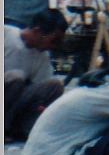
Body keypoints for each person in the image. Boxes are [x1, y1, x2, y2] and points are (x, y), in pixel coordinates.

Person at [5, 7, 68, 139]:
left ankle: (21, 130)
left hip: (11, 104)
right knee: (16, 76)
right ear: (37, 31)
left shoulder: (42, 56)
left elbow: (41, 86)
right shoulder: (6, 34)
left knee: (54, 85)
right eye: (53, 40)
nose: (54, 46)